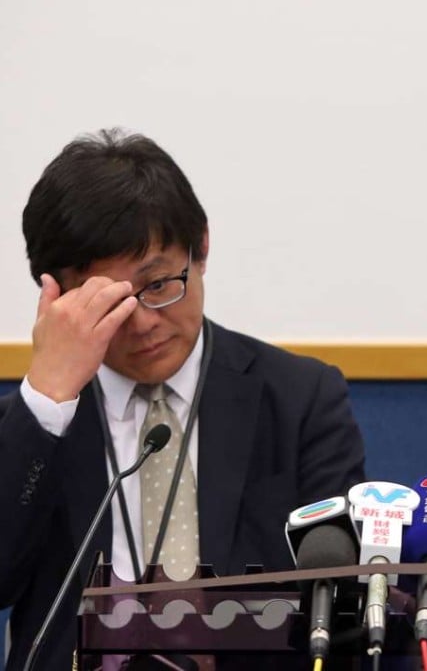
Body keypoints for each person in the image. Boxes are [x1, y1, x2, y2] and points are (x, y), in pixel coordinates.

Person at [0, 130, 367, 671]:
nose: (144, 320)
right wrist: (48, 401)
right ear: (56, 296)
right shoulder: (36, 422)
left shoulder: (299, 400)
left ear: (202, 248)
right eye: (112, 302)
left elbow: (342, 607)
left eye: (159, 285)